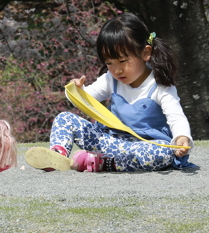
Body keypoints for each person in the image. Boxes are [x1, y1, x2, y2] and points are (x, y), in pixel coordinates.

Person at [25, 12, 193, 173]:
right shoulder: (110, 79)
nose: (117, 70)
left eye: (122, 61)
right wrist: (75, 90)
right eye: (109, 63)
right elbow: (85, 100)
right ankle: (57, 155)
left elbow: (176, 117)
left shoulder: (160, 86)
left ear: (146, 53)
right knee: (64, 118)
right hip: (111, 142)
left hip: (144, 147)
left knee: (162, 154)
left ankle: (100, 163)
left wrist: (181, 138)